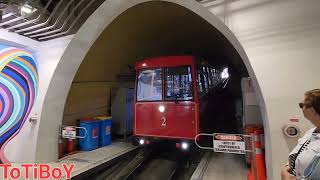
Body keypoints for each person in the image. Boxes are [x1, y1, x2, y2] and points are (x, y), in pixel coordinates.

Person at [281, 89, 320, 180]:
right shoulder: (311, 132)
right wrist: (285, 170)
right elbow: (297, 154)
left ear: (313, 110)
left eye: (302, 105)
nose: (301, 108)